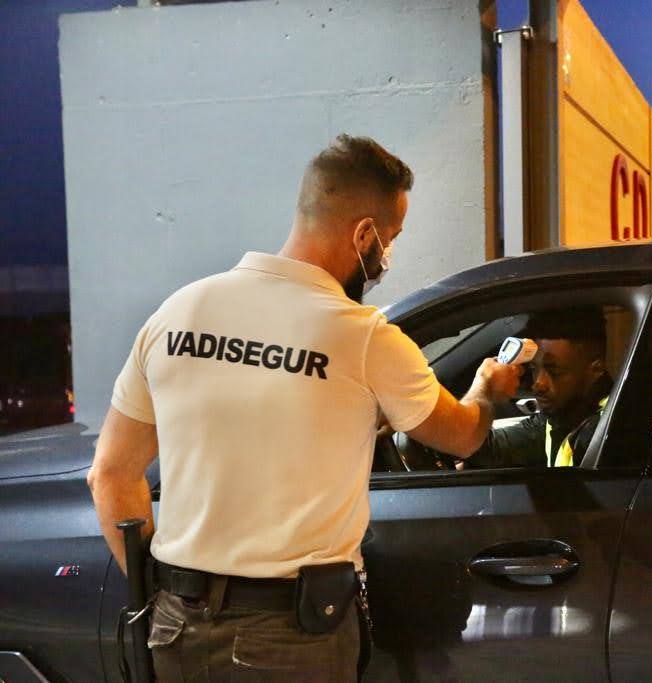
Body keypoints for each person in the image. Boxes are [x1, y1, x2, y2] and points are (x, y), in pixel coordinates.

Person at [86, 133, 521, 682]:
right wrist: (486, 388)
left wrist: (162, 594)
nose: (386, 257)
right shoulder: (363, 337)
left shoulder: (178, 312)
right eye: (390, 240)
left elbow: (110, 475)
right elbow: (462, 436)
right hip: (290, 639)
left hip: (175, 630)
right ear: (364, 234)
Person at [464, 307, 613, 469]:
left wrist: (484, 386)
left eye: (554, 371)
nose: (538, 383)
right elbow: (479, 448)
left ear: (596, 369)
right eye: (535, 369)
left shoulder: (605, 430)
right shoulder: (559, 418)